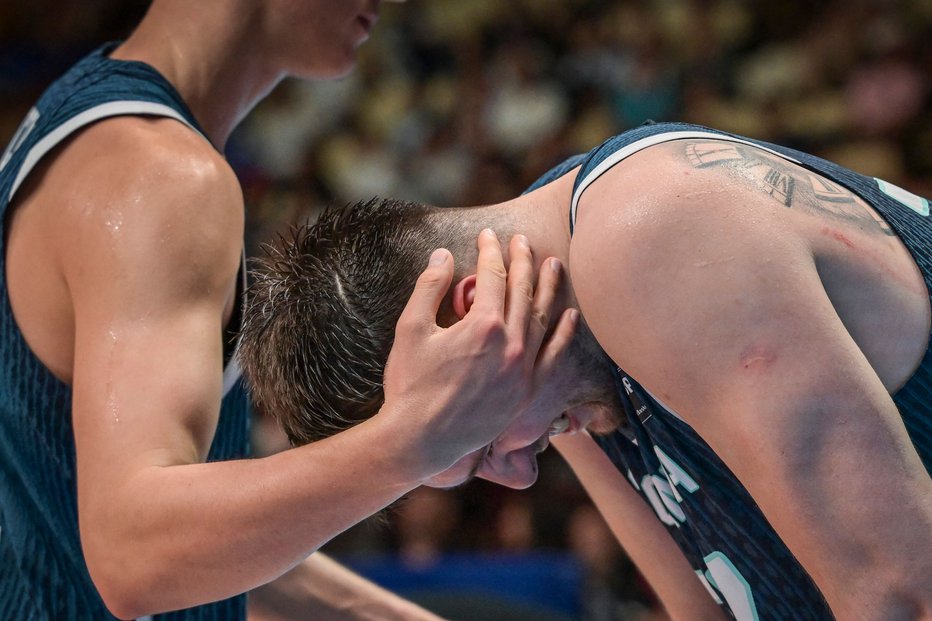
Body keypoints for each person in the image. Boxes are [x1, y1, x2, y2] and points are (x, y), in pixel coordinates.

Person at [0, 1, 575, 619]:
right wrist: (414, 440)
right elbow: (133, 551)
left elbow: (188, 542)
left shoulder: (80, 116)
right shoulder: (160, 176)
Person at [239, 120, 932, 621]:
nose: (518, 474)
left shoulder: (652, 232)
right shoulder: (556, 345)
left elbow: (901, 594)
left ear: (480, 315)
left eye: (478, 447)